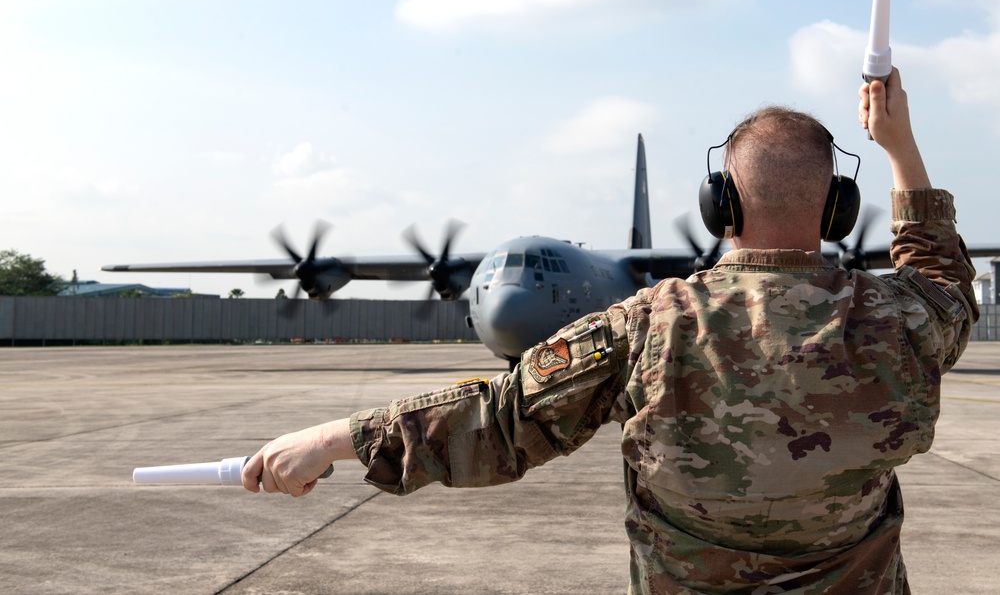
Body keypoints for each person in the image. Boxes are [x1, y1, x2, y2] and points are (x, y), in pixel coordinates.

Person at [241, 68, 977, 594]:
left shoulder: (647, 324)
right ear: (836, 211)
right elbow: (943, 277)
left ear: (720, 205)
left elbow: (500, 418)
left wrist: (337, 437)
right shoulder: (900, 323)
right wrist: (898, 147)